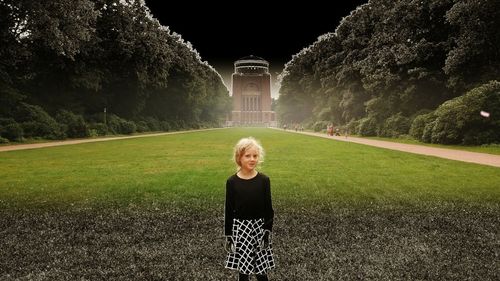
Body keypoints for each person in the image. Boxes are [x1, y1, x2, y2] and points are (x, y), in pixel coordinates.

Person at [224, 137, 275, 281]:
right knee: (243, 270)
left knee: (261, 271)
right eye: (248, 156)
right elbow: (228, 210)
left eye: (255, 156)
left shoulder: (264, 180)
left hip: (259, 228)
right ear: (239, 158)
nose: (252, 159)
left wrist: (267, 231)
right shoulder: (232, 182)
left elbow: (268, 209)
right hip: (241, 229)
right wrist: (228, 234)